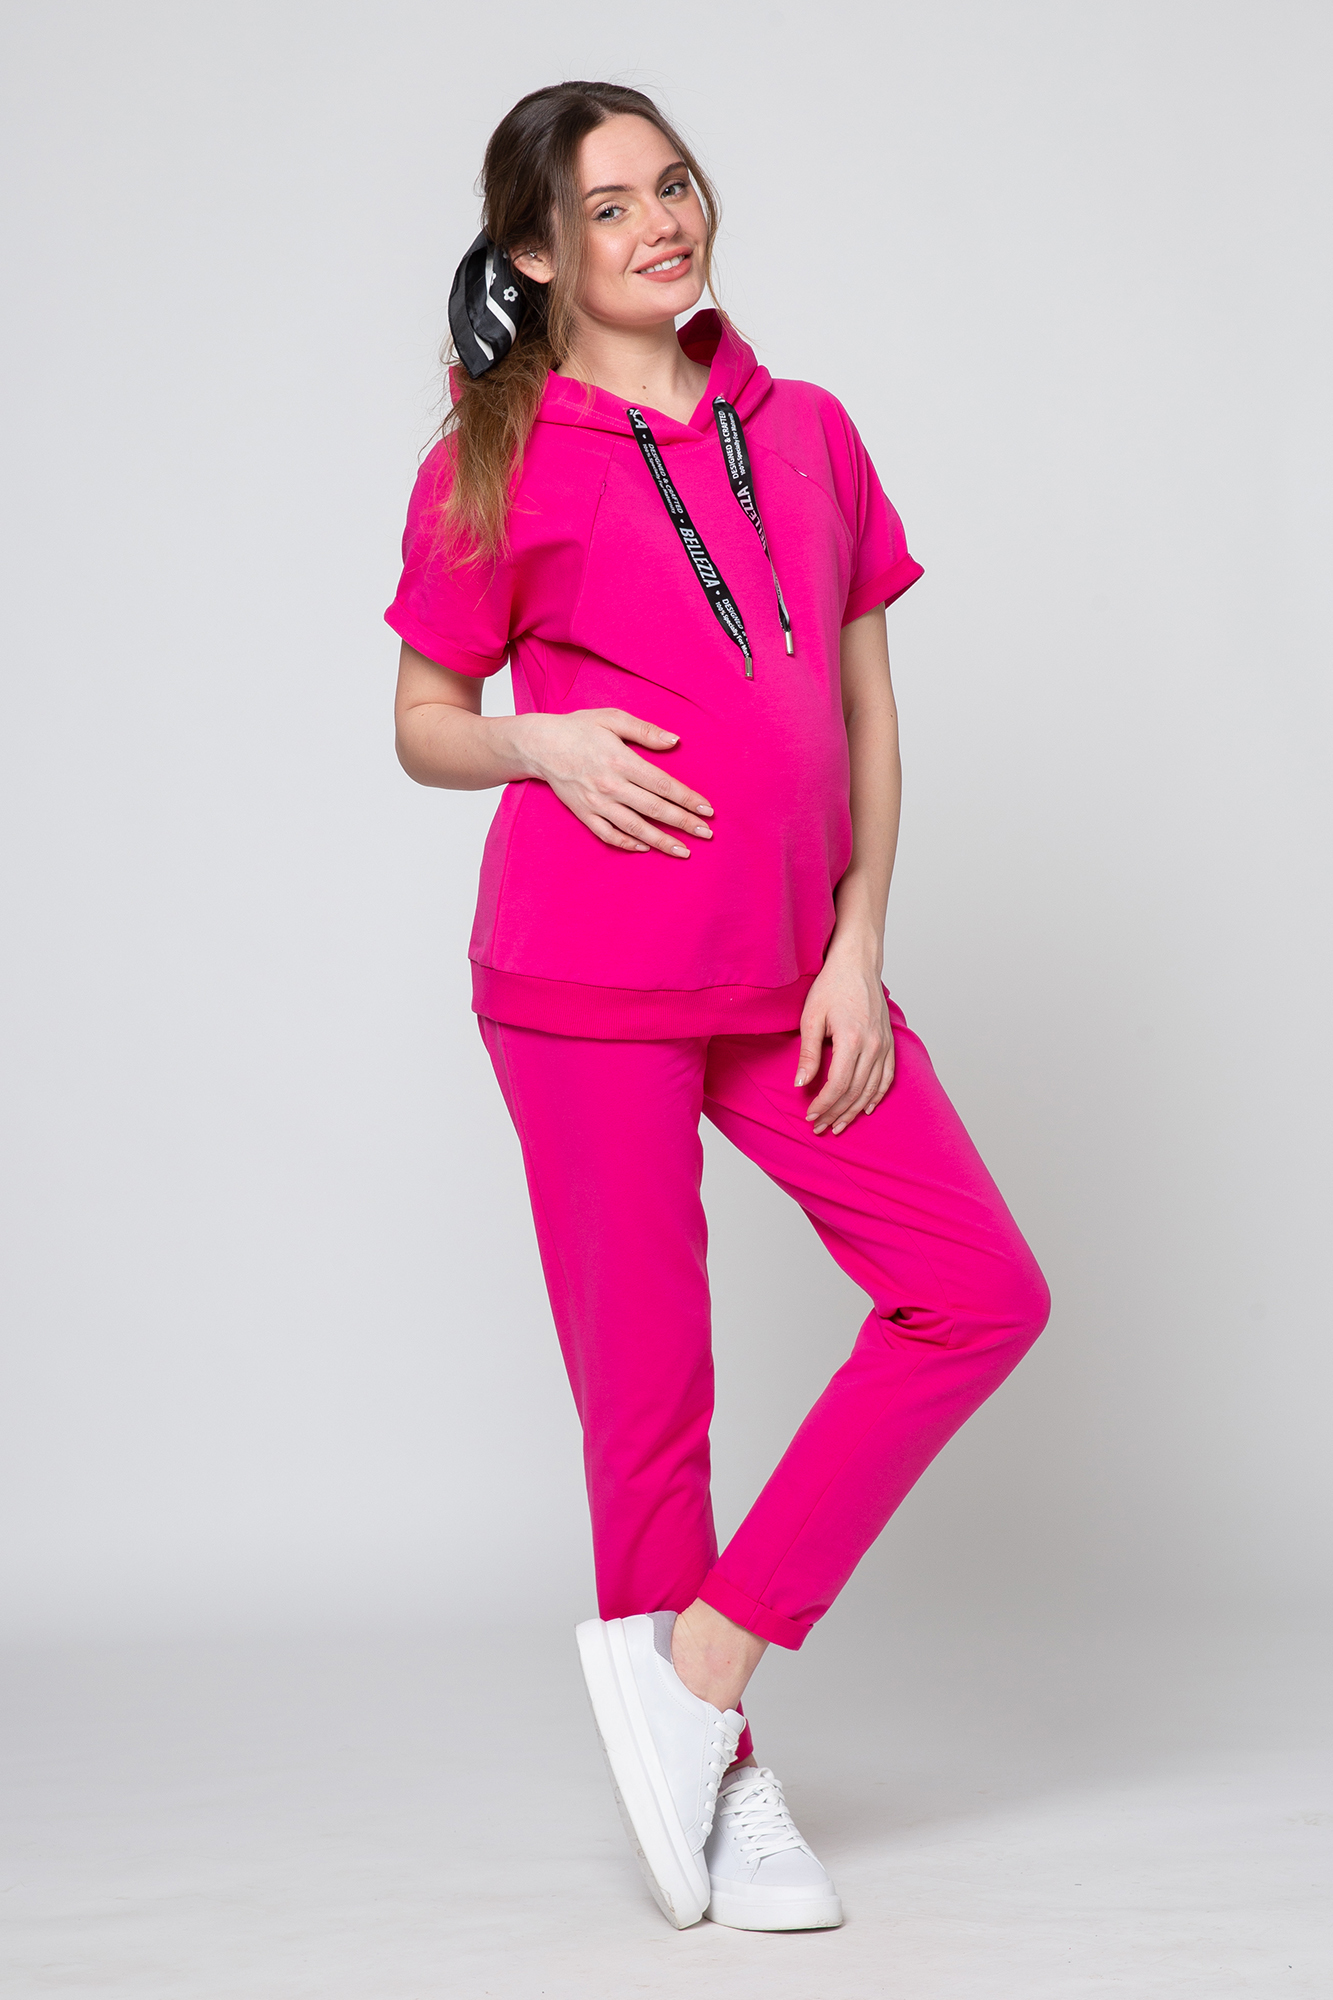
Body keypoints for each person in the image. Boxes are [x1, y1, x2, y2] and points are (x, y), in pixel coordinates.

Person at [388, 80, 1050, 1934]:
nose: (658, 223)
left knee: (975, 1290)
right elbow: (423, 722)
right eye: (607, 207)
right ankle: (725, 1782)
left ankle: (697, 1674)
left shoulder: (809, 429)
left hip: (790, 976)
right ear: (536, 254)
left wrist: (858, 943)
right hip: (581, 985)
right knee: (650, 1399)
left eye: (670, 184)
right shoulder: (492, 459)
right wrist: (538, 742)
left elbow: (866, 707)